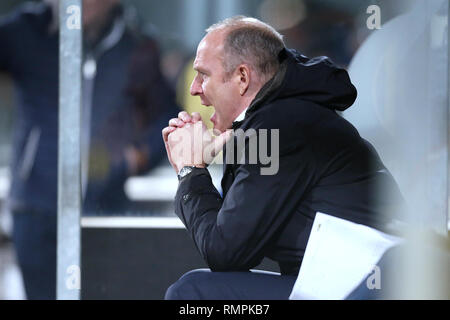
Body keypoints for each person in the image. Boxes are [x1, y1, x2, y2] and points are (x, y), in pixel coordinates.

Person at [162, 16, 404, 300]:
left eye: (203, 74)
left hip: (369, 289)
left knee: (194, 293)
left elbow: (226, 250)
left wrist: (191, 171)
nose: (193, 88)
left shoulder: (278, 127)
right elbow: (236, 229)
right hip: (351, 283)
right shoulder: (283, 119)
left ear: (242, 77)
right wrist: (229, 148)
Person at [0, 0, 178, 299]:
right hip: (36, 206)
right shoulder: (26, 31)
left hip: (105, 208)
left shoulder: (136, 42)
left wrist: (138, 158)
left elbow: (165, 114)